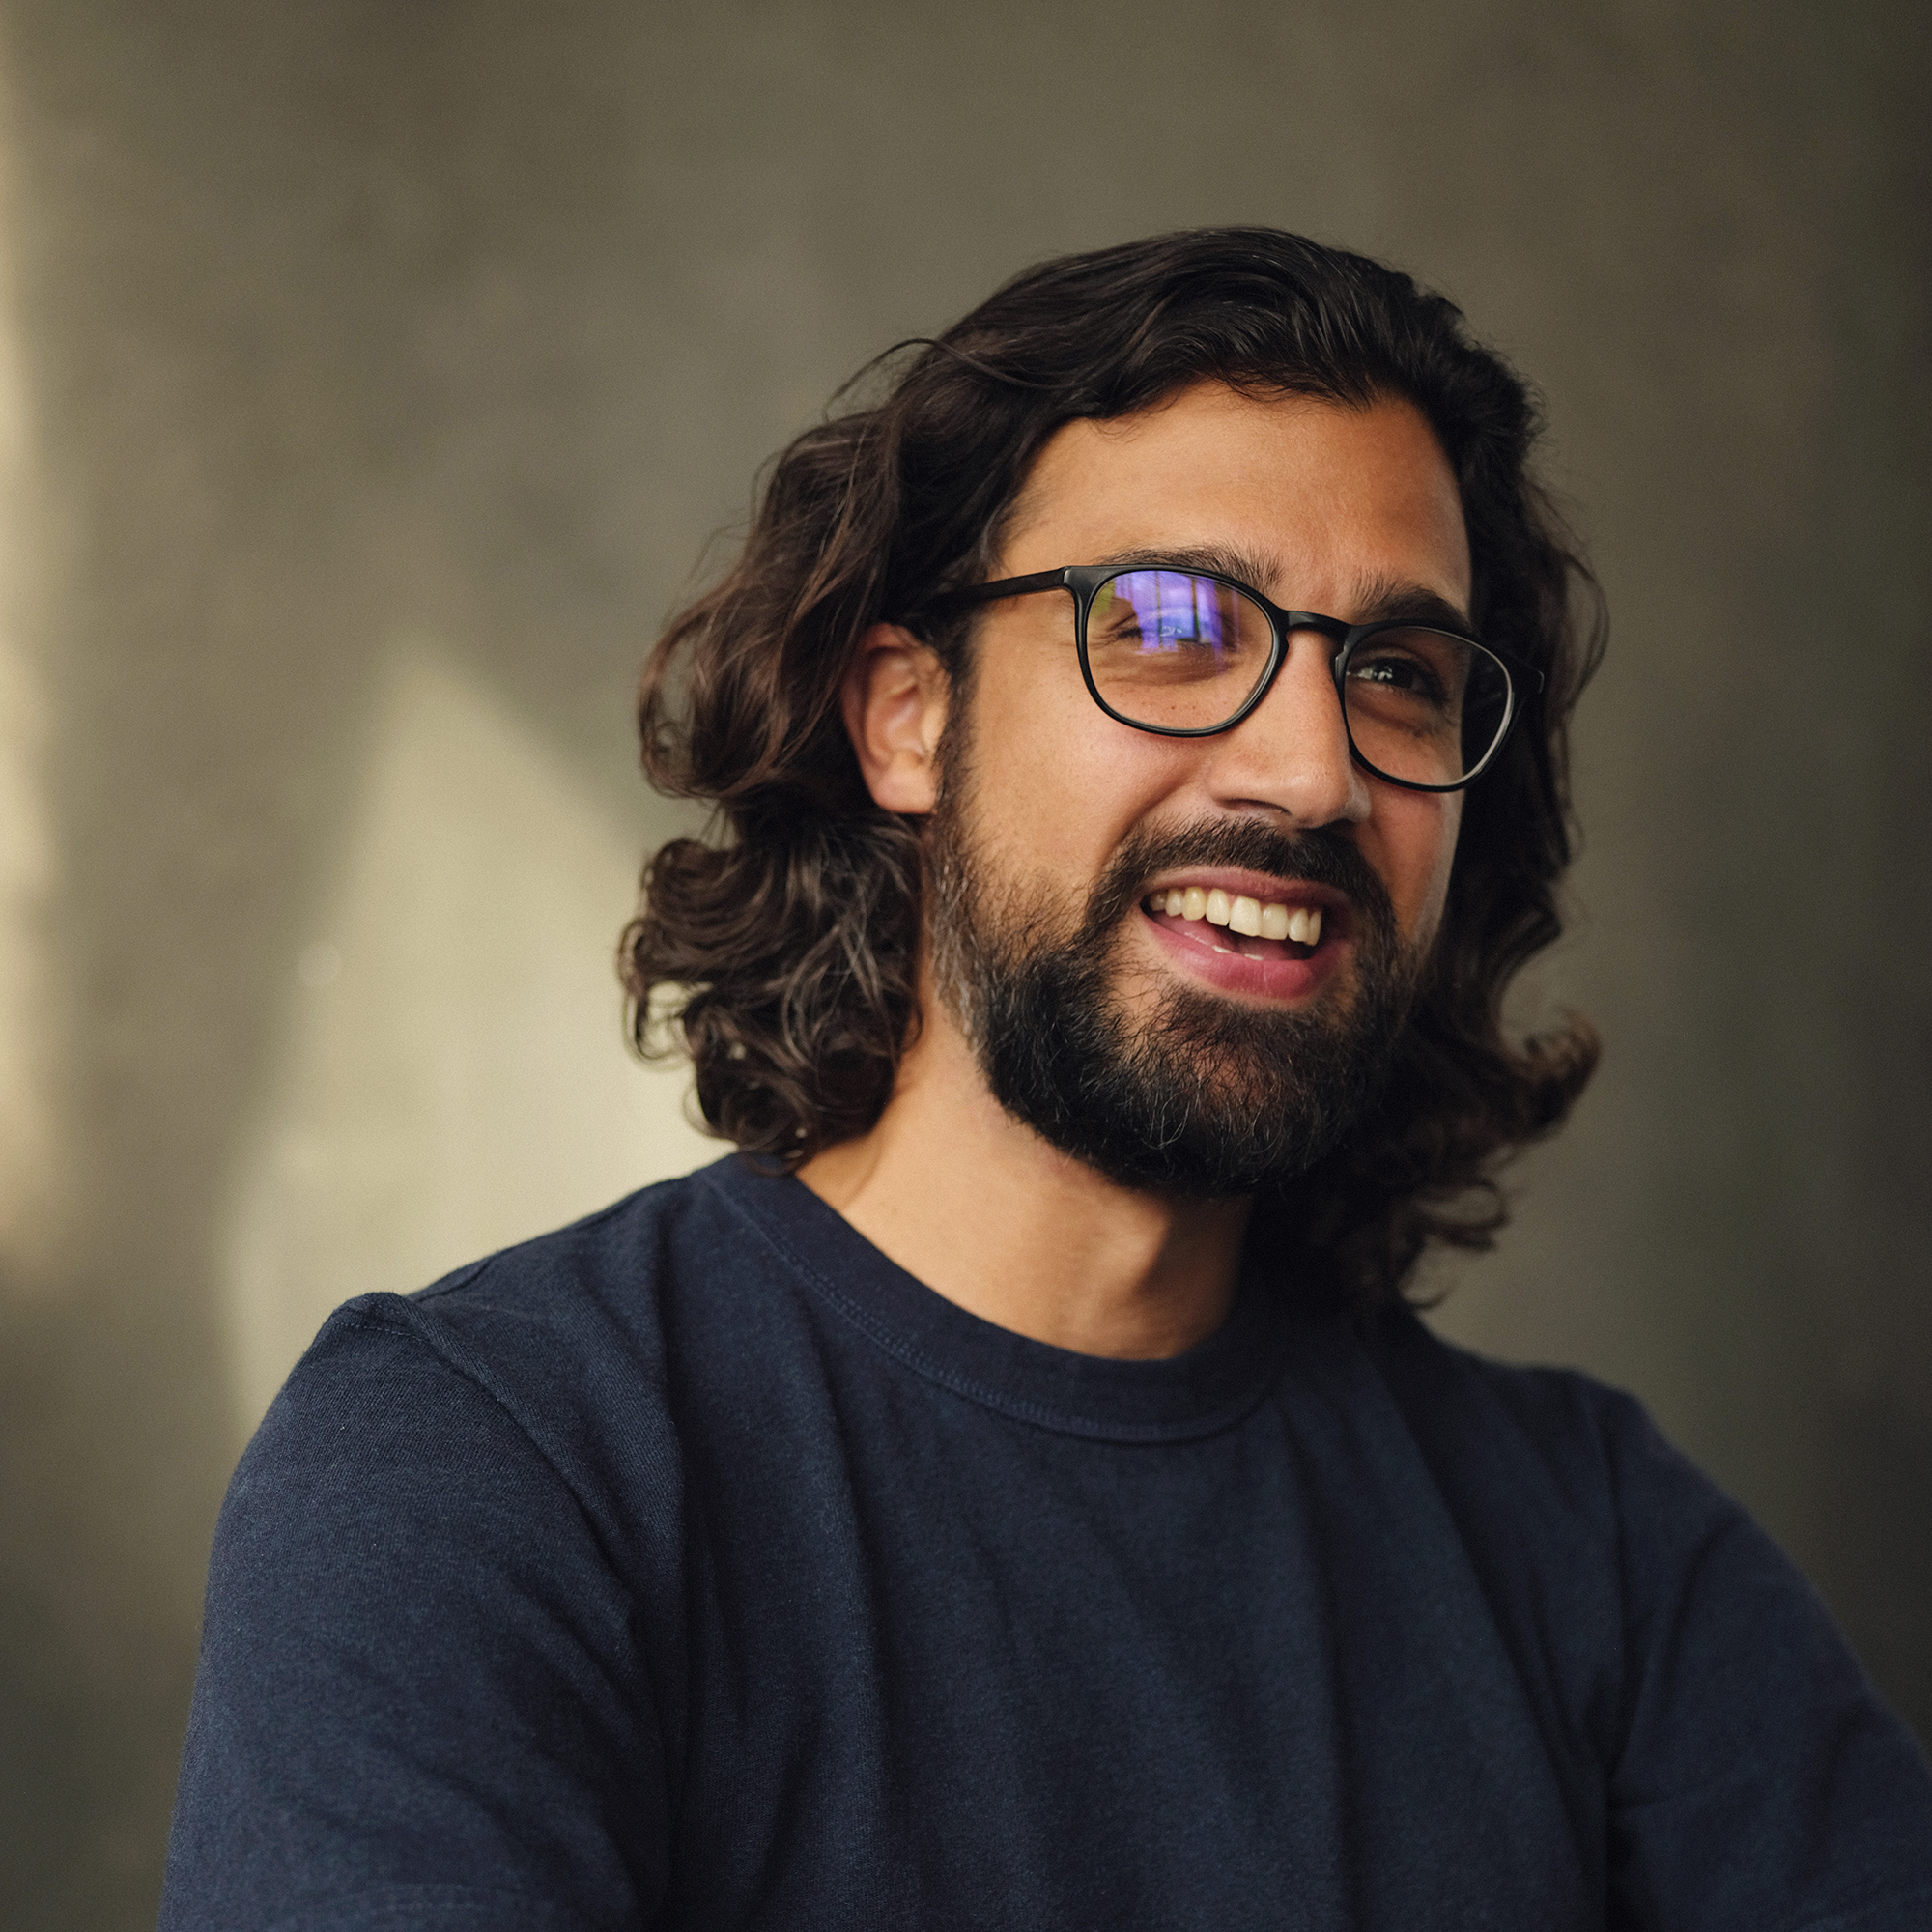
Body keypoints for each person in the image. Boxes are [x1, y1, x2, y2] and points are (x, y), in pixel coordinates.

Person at [160, 230, 1932, 1930]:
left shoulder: (1591, 1542)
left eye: (1397, 673)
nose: (1313, 771)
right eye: (1168, 623)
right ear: (907, 717)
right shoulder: (493, 1467)